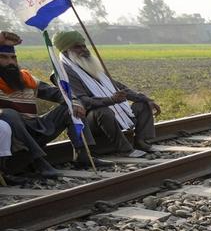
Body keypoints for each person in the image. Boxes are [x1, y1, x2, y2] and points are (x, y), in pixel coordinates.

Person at [0, 35, 106, 176]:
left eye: (13, 58)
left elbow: (55, 93)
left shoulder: (26, 79)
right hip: (15, 137)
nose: (10, 62)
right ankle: (39, 162)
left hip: (36, 128)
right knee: (8, 113)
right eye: (4, 58)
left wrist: (73, 101)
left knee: (68, 107)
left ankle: (84, 155)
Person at [52, 30, 159, 158]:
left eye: (83, 45)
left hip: (113, 113)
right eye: (77, 47)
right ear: (65, 51)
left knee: (142, 102)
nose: (83, 49)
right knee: (102, 111)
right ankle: (125, 149)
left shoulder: (89, 64)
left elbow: (118, 87)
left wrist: (145, 99)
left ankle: (142, 142)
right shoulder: (64, 73)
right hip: (88, 122)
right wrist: (111, 100)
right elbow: (82, 100)